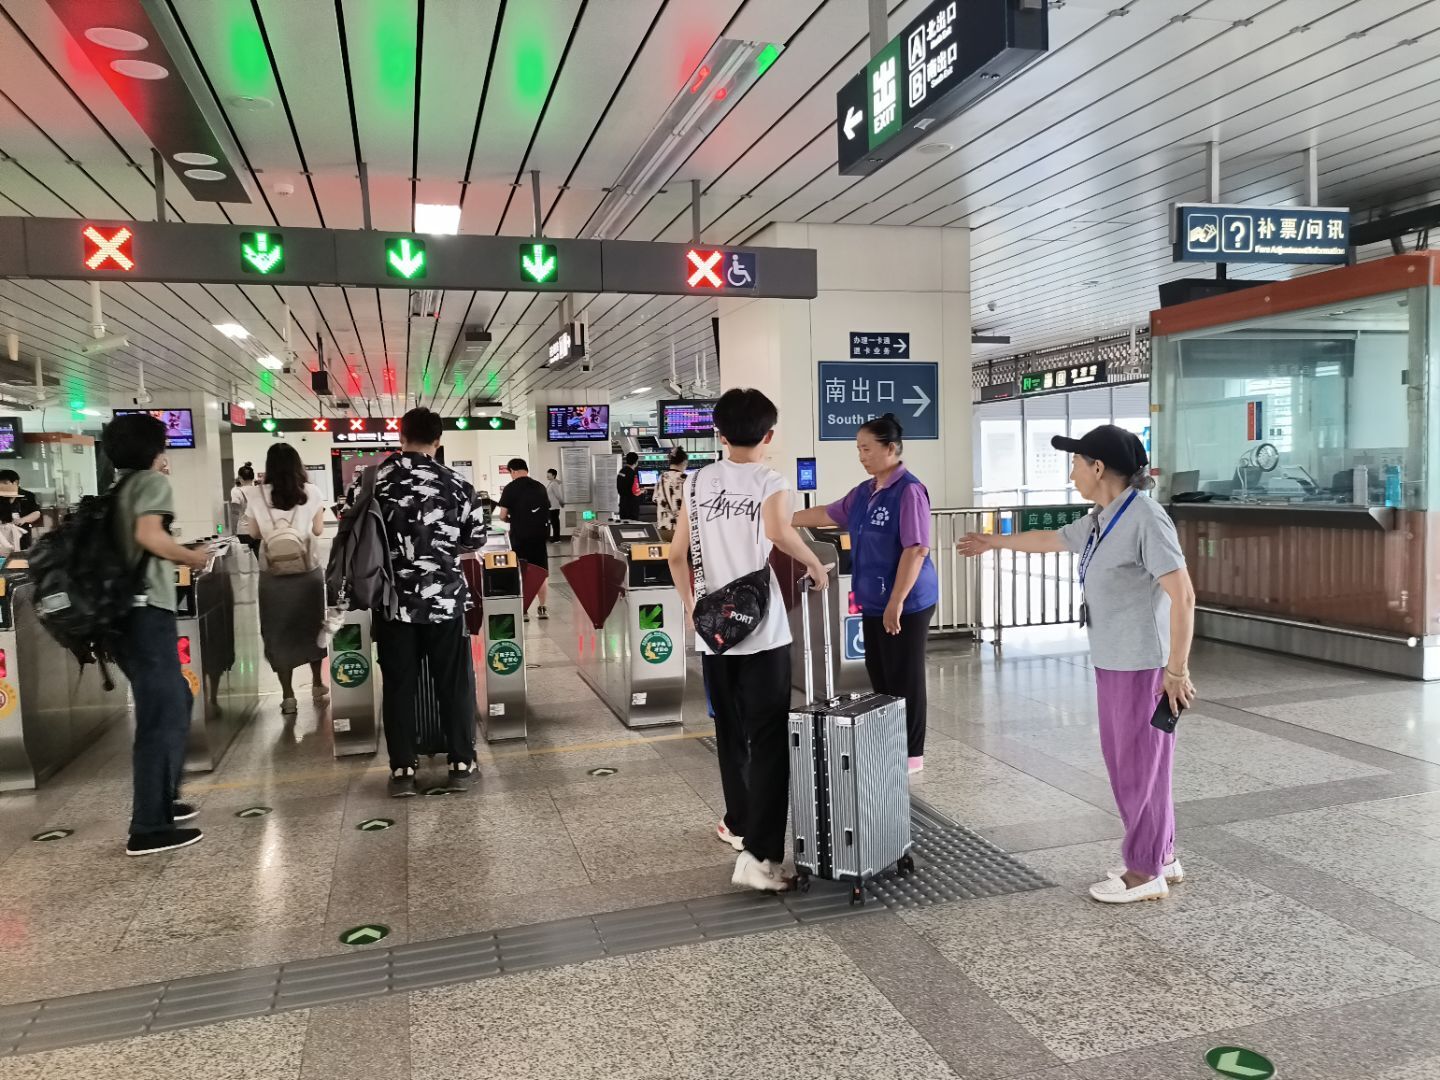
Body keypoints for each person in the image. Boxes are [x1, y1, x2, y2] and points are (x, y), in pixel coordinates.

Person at [960, 425, 1197, 905]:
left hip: (1142, 666)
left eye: (1075, 464)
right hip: (1113, 660)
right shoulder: (1101, 519)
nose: (1071, 475)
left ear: (1098, 467)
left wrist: (1176, 670)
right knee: (1136, 765)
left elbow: (1184, 595)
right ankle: (1163, 855)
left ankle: (1144, 872)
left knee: (1138, 768)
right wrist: (994, 542)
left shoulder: (1145, 518)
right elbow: (1049, 539)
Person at [667, 388, 829, 893]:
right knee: (770, 740)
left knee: (731, 735)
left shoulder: (696, 481)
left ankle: (738, 824)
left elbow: (675, 554)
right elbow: (779, 533)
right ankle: (759, 858)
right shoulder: (770, 480)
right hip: (762, 631)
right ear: (769, 435)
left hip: (714, 635)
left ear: (719, 433)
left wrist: (692, 607)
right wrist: (815, 563)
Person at [348, 408, 485, 797]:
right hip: (444, 601)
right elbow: (474, 540)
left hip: (392, 602)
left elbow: (350, 527)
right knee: (453, 683)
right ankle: (461, 764)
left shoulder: (371, 481)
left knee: (398, 685)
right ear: (438, 441)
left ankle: (403, 770)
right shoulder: (458, 484)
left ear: (401, 436)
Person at [792, 415, 938, 774]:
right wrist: (783, 519)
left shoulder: (909, 491)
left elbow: (916, 549)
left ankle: (912, 753)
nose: (862, 456)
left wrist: (896, 601)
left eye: (868, 448)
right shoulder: (864, 492)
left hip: (907, 601)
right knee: (880, 674)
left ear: (891, 448)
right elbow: (826, 513)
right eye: (859, 449)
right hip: (873, 599)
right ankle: (889, 742)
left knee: (904, 676)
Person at [103, 413, 211, 856]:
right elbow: (150, 536)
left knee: (175, 699)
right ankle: (148, 827)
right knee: (161, 714)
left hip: (121, 614)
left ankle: (162, 799)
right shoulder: (149, 483)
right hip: (146, 612)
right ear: (154, 449)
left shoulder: (117, 488)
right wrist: (193, 556)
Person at [246, 443, 327, 716]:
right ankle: (317, 683)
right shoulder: (312, 492)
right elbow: (318, 530)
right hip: (307, 572)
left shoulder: (255, 493)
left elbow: (254, 534)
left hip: (272, 575)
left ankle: (288, 695)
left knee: (277, 631)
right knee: (312, 627)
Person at [497, 459, 552, 620]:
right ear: (526, 470)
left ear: (513, 471)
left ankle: (524, 610)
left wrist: (510, 520)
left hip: (519, 537)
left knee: (521, 573)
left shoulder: (510, 488)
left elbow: (502, 515)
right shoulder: (540, 487)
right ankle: (542, 608)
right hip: (539, 537)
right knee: (541, 572)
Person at [0, 469, 41, 550]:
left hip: (22, 531)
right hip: (3, 534)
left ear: (15, 482)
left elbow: (36, 513)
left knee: (22, 552)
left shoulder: (28, 495)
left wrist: (22, 520)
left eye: (5, 483)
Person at [655, 447, 688, 541]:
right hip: (680, 529)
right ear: (684, 462)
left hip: (663, 528)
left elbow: (655, 499)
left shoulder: (661, 478)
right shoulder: (685, 478)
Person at [230, 463, 257, 554]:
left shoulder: (236, 491)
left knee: (245, 558)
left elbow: (235, 512)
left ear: (240, 478)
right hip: (257, 531)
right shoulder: (258, 490)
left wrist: (233, 531)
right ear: (253, 478)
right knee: (258, 558)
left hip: (243, 532)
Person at [616, 452, 642, 520]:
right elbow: (635, 492)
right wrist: (643, 491)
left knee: (624, 524)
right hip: (631, 507)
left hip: (623, 504)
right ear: (636, 462)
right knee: (633, 525)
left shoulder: (621, 471)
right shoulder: (632, 473)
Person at [545, 468, 564, 543]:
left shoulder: (554, 484)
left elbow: (558, 495)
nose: (547, 476)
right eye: (547, 474)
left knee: (555, 523)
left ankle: (557, 539)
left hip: (554, 507)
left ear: (553, 475)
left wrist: (561, 502)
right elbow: (559, 481)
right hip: (551, 507)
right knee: (553, 523)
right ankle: (555, 538)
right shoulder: (552, 483)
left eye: (549, 475)